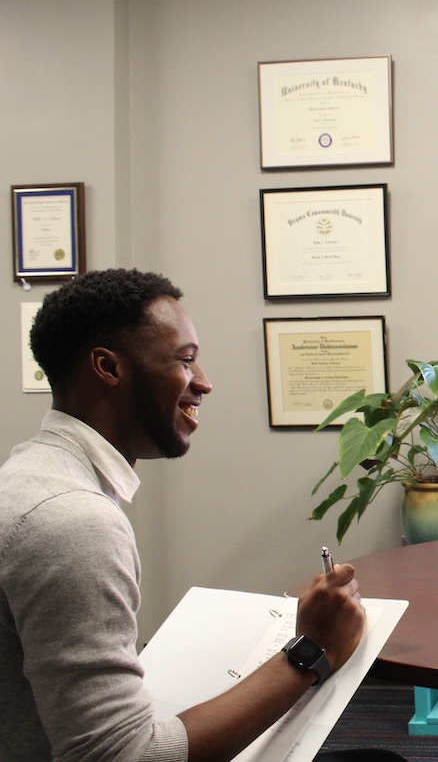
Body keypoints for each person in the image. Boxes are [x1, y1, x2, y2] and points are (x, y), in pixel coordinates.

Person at [0, 269, 389, 762]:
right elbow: (125, 757)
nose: (203, 383)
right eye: (185, 362)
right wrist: (313, 649)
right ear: (108, 367)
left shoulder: (31, 474)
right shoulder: (73, 523)